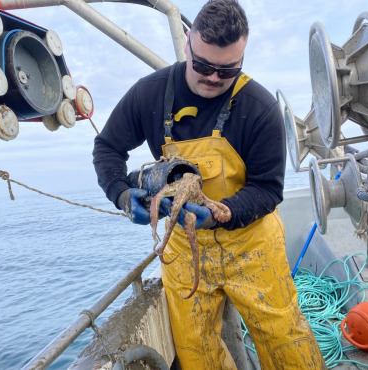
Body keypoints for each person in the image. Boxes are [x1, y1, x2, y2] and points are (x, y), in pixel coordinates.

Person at [93, 0, 326, 368]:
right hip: (185, 247)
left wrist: (221, 213)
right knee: (195, 350)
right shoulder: (148, 94)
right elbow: (107, 147)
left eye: (227, 70)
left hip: (251, 241)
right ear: (188, 43)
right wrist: (121, 194)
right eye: (202, 65)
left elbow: (268, 189)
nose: (214, 78)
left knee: (284, 337)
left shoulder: (260, 108)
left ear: (243, 57)